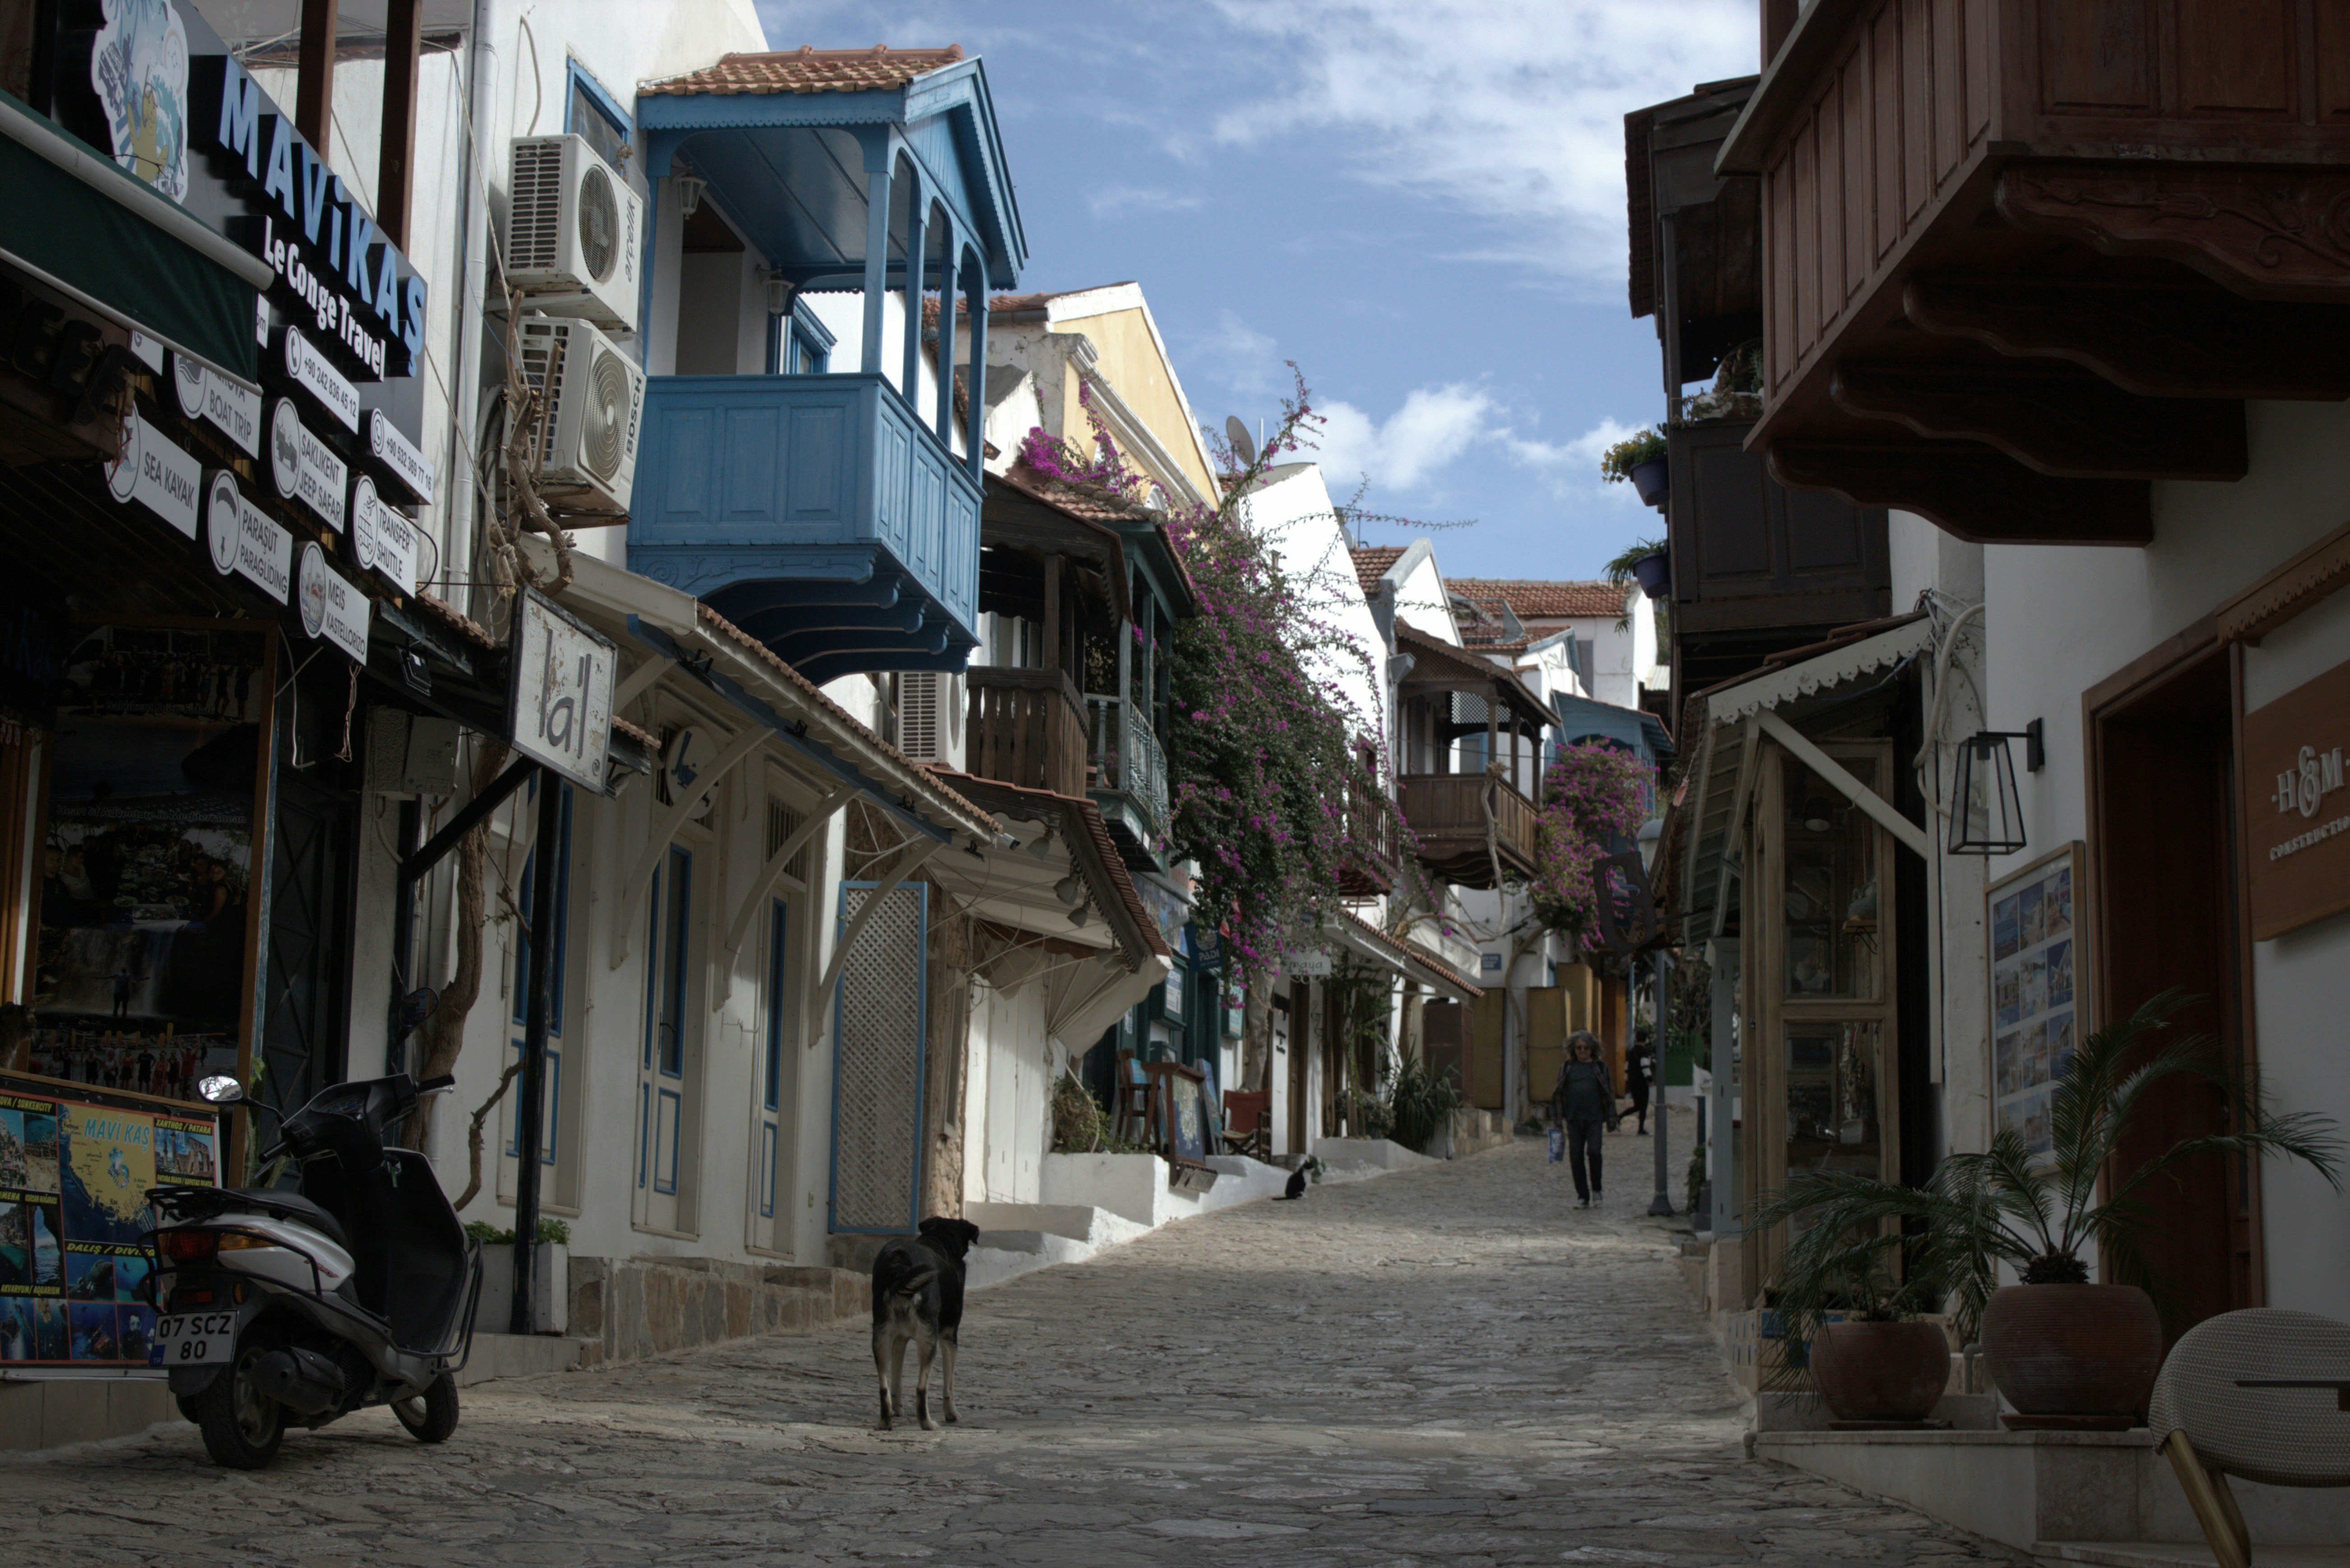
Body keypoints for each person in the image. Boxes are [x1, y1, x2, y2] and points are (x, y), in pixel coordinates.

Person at [1549, 1031, 1618, 1209]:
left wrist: (1612, 1120)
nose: (1582, 1051)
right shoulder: (1567, 1068)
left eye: (1586, 1048)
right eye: (1579, 1048)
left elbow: (1609, 1095)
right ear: (1573, 1049)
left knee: (1594, 1152)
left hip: (1594, 1119)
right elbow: (1558, 1094)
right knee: (1576, 1157)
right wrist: (1557, 1120)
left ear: (1593, 1049)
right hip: (1573, 1119)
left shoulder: (1600, 1068)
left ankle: (1597, 1189)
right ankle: (1583, 1196)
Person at [1625, 1031, 1655, 1135]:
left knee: (1637, 1106)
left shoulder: (1632, 1050)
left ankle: (1619, 1117)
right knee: (1643, 1106)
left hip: (1632, 1081)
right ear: (1646, 1039)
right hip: (1641, 1082)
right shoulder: (1644, 1051)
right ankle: (1641, 1129)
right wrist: (1650, 1080)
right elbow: (1645, 1066)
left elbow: (1627, 1066)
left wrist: (1627, 1080)